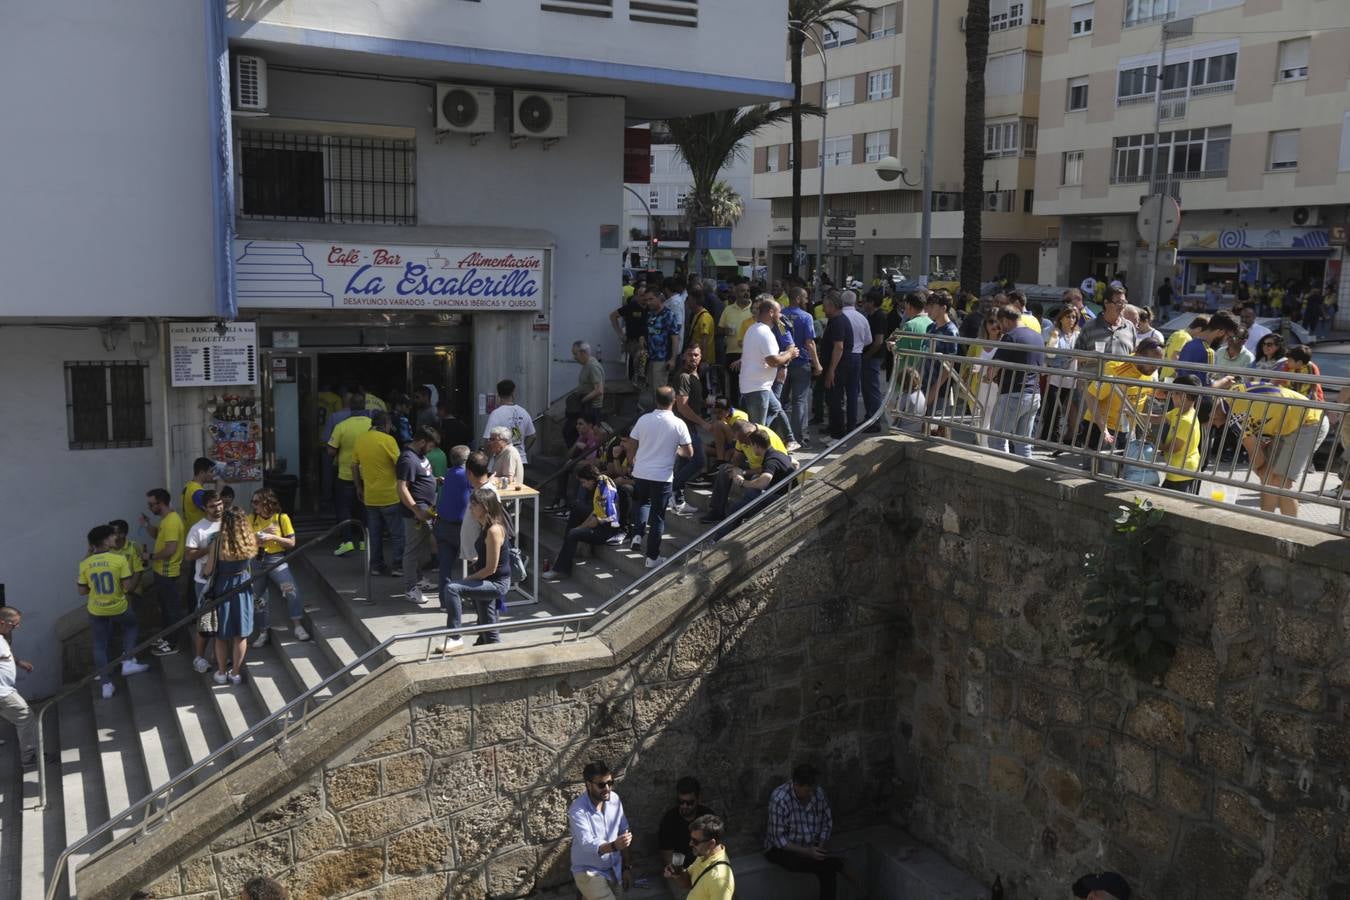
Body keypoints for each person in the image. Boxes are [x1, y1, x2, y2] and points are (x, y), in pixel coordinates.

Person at [1212, 374, 1330, 517]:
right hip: (1289, 421)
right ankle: (1265, 523)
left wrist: (1259, 467)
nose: (1216, 426)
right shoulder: (1230, 394)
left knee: (1281, 483)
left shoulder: (1236, 417)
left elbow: (1255, 454)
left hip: (1309, 422)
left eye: (1211, 423)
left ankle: (1290, 531)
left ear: (1213, 414)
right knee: (1269, 479)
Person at [624, 386, 693, 568]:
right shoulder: (679, 424)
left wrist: (632, 462)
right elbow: (688, 452)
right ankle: (652, 557)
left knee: (642, 503)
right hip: (662, 476)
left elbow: (631, 444)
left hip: (641, 472)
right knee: (658, 517)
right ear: (674, 401)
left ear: (656, 400)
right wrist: (675, 449)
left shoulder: (643, 419)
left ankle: (638, 533)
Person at [79, 525, 150, 698]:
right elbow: (127, 586)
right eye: (112, 536)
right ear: (105, 540)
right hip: (118, 606)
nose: (115, 538)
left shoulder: (85, 563)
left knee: (100, 645)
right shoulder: (118, 560)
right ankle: (127, 661)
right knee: (131, 626)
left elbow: (82, 591)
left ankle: (105, 684)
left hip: (96, 608)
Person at [441, 488, 513, 648]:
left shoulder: (494, 530)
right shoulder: (485, 526)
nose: (470, 508)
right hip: (486, 579)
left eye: (474, 505)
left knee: (452, 588)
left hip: (495, 583)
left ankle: (454, 637)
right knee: (487, 628)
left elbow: (491, 569)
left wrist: (467, 580)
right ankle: (486, 646)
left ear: (485, 507)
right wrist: (477, 560)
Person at [764, 763, 844, 899]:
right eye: (807, 791)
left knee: (827, 867)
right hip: (783, 850)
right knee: (829, 867)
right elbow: (779, 840)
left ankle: (836, 864)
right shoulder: (780, 799)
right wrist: (808, 852)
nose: (811, 794)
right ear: (796, 784)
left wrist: (820, 847)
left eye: (812, 789)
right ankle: (838, 865)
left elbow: (826, 822)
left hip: (810, 844)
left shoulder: (817, 793)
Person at [202, 507, 258, 686]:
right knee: (240, 635)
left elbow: (208, 570)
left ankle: (221, 671)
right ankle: (235, 673)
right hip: (242, 587)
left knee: (220, 635)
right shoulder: (249, 540)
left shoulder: (218, 542)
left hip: (222, 588)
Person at [248, 488, 308, 645]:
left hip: (276, 559)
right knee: (257, 598)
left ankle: (297, 625)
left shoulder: (282, 518)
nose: (253, 505)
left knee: (290, 589)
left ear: (266, 502)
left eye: (256, 502)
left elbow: (291, 543)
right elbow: (244, 542)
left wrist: (273, 537)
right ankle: (263, 631)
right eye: (252, 502)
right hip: (256, 560)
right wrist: (259, 535)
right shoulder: (251, 518)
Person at [543, 463, 622, 581]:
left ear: (591, 480)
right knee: (577, 508)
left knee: (573, 534)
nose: (583, 486)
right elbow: (595, 511)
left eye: (584, 482)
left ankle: (561, 570)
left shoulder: (604, 491)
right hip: (601, 522)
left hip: (606, 531)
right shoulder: (600, 483)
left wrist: (579, 528)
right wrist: (580, 527)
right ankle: (566, 549)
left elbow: (595, 521)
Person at [701, 426, 794, 524]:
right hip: (754, 469)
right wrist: (735, 468)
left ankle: (744, 511)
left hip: (765, 476)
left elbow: (770, 468)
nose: (741, 443)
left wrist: (742, 480)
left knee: (753, 486)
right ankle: (717, 511)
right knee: (726, 469)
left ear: (750, 436)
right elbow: (737, 457)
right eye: (738, 440)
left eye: (743, 441)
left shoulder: (766, 441)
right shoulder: (742, 438)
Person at [986, 306, 1045, 458]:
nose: (1000, 328)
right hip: (1034, 394)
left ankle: (1001, 473)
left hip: (1013, 394)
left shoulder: (1010, 336)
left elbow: (994, 367)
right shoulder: (1038, 337)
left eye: (1001, 324)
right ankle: (1025, 477)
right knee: (1023, 444)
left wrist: (988, 376)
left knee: (997, 440)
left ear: (1006, 320)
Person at [569, 760, 633, 899]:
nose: (607, 788)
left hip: (613, 868)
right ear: (588, 784)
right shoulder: (577, 810)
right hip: (588, 870)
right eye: (601, 785)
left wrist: (626, 868)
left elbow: (624, 832)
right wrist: (614, 846)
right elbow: (587, 843)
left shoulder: (614, 799)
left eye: (610, 783)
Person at [352, 411, 403, 577]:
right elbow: (400, 464)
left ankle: (375, 565)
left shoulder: (360, 439)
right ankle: (398, 565)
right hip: (390, 495)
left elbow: (354, 466)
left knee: (374, 534)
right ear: (386, 424)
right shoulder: (389, 440)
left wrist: (358, 487)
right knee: (397, 534)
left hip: (370, 496)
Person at [737, 297, 799, 426]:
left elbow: (790, 345)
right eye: (755, 309)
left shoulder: (779, 325)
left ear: (769, 311)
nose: (756, 312)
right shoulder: (754, 327)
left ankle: (781, 439)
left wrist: (784, 364)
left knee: (774, 409)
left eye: (758, 309)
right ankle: (785, 439)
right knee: (773, 409)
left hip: (776, 370)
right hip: (761, 377)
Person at [397, 425, 441, 605]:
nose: (431, 450)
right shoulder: (407, 459)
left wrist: (435, 480)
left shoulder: (420, 456)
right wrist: (416, 509)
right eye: (430, 446)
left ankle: (418, 579)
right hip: (415, 514)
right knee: (412, 550)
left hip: (426, 510)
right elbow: (401, 487)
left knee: (421, 547)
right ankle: (410, 588)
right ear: (422, 442)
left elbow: (422, 477)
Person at [434, 445, 472, 644]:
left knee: (445, 567)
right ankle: (476, 599)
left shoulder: (449, 474)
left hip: (442, 525)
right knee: (475, 561)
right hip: (459, 528)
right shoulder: (465, 476)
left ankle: (444, 602)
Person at [141, 488, 186, 657]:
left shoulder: (172, 521)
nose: (149, 507)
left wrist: (150, 556)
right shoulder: (166, 519)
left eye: (151, 504)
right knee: (165, 608)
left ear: (160, 503)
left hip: (168, 572)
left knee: (171, 609)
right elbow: (157, 535)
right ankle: (167, 637)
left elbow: (170, 549)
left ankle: (172, 643)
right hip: (161, 571)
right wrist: (146, 525)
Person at [327, 393, 373, 557]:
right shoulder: (371, 425)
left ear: (349, 408)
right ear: (364, 407)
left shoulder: (342, 425)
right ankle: (362, 541)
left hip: (346, 474)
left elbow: (331, 450)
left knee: (344, 508)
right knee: (364, 507)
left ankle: (347, 542)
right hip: (367, 474)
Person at [184, 490, 225, 671]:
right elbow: (189, 555)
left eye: (219, 504)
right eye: (212, 506)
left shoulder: (228, 523)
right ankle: (199, 657)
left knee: (223, 620)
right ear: (204, 507)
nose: (217, 509)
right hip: (204, 582)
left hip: (226, 579)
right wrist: (209, 548)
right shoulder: (197, 528)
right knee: (205, 621)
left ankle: (218, 654)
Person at [658, 775, 715, 897]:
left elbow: (715, 851)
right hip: (680, 871)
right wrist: (682, 876)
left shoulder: (707, 817)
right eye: (680, 802)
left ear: (698, 798)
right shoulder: (669, 820)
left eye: (689, 803)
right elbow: (668, 859)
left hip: (704, 868)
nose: (684, 806)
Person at [671, 346, 711, 517]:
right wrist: (703, 423)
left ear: (701, 357)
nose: (693, 358)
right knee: (699, 460)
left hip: (688, 426)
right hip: (683, 427)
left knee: (683, 462)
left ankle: (676, 499)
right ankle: (672, 492)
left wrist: (705, 403)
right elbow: (682, 406)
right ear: (684, 357)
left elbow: (691, 402)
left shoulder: (695, 375)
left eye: (696, 355)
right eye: (690, 355)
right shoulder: (684, 377)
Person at [781, 287, 822, 448]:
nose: (807, 300)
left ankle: (781, 436)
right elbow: (810, 342)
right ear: (798, 298)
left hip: (783, 362)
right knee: (799, 402)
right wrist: (817, 364)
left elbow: (781, 336)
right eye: (805, 297)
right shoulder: (806, 317)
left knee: (780, 401)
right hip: (801, 362)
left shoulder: (780, 315)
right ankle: (798, 439)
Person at [665, 814, 734, 900]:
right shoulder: (704, 855)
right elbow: (688, 883)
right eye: (691, 839)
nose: (690, 843)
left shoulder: (719, 879)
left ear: (711, 843)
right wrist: (677, 874)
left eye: (695, 841)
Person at [1041, 306, 1081, 443]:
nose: (1071, 320)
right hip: (1055, 375)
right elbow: (1050, 353)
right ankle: (1053, 437)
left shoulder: (1078, 335)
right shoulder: (1055, 333)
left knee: (1059, 408)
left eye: (1074, 317)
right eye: (1068, 317)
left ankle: (1048, 436)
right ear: (1061, 318)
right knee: (1055, 407)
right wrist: (1054, 337)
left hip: (1071, 376)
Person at [1160, 375, 1203, 494]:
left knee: (1170, 505)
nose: (1172, 396)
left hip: (1182, 473)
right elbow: (1159, 419)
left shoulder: (1186, 420)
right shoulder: (1177, 412)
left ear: (1184, 395)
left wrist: (1156, 445)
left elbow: (1174, 448)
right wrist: (1135, 414)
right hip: (1176, 470)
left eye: (1175, 393)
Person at [820, 295, 854, 439]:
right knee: (830, 400)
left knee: (835, 401)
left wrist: (831, 371)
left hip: (838, 368)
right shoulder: (834, 321)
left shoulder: (839, 322)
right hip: (833, 367)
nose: (823, 309)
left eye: (825, 306)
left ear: (833, 306)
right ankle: (834, 432)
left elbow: (838, 347)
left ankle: (839, 437)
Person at [1175, 310, 1239, 384]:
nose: (1226, 342)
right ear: (1220, 332)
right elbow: (1206, 389)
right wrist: (1224, 381)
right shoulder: (1208, 352)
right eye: (1228, 337)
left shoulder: (1189, 344)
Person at [839, 291, 871, 429]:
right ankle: (851, 423)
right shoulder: (862, 318)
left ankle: (838, 423)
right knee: (852, 392)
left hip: (840, 355)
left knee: (837, 391)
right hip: (856, 355)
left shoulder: (839, 317)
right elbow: (869, 340)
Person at [482, 379, 536, 464]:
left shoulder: (496, 414)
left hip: (501, 462)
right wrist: (522, 450)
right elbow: (532, 436)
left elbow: (488, 442)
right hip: (520, 461)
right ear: (513, 392)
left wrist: (485, 459)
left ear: (498, 393)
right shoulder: (523, 412)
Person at [718, 284, 755, 404]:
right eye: (742, 291)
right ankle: (736, 411)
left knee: (748, 385)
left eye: (748, 291)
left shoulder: (754, 310)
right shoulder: (728, 310)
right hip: (732, 352)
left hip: (749, 354)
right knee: (734, 385)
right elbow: (719, 329)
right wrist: (725, 331)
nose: (746, 293)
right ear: (736, 293)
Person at [1075, 287, 1137, 357]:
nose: (1122, 306)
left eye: (1124, 302)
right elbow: (1077, 356)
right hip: (1096, 368)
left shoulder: (1129, 327)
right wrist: (1092, 356)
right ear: (1106, 303)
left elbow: (1133, 355)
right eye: (1119, 302)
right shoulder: (1089, 327)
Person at [644, 289, 679, 404]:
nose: (648, 302)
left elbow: (675, 338)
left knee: (660, 392)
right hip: (650, 358)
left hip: (662, 359)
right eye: (647, 300)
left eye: (651, 299)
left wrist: (673, 359)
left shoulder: (669, 315)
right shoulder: (650, 314)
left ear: (659, 298)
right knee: (652, 391)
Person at [859, 292, 889, 424]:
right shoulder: (871, 316)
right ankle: (870, 416)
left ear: (872, 302)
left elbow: (878, 341)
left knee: (872, 389)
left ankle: (874, 420)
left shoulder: (879, 316)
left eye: (865, 301)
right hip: (870, 356)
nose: (863, 304)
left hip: (873, 357)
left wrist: (867, 355)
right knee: (867, 388)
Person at [569, 341, 606, 446]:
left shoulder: (592, 366)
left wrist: (582, 400)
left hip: (592, 408)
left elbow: (599, 390)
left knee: (590, 436)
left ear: (583, 352)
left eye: (575, 354)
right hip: (587, 406)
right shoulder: (587, 365)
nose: (574, 357)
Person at [182, 457, 216, 531]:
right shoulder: (197, 492)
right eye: (211, 472)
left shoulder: (188, 486)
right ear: (201, 473)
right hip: (199, 534)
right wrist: (219, 489)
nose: (213, 475)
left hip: (190, 531)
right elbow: (214, 510)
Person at [685, 286, 716, 365]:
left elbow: (704, 340)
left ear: (694, 300)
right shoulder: (696, 315)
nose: (687, 302)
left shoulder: (704, 317)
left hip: (702, 361)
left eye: (689, 299)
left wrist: (703, 359)